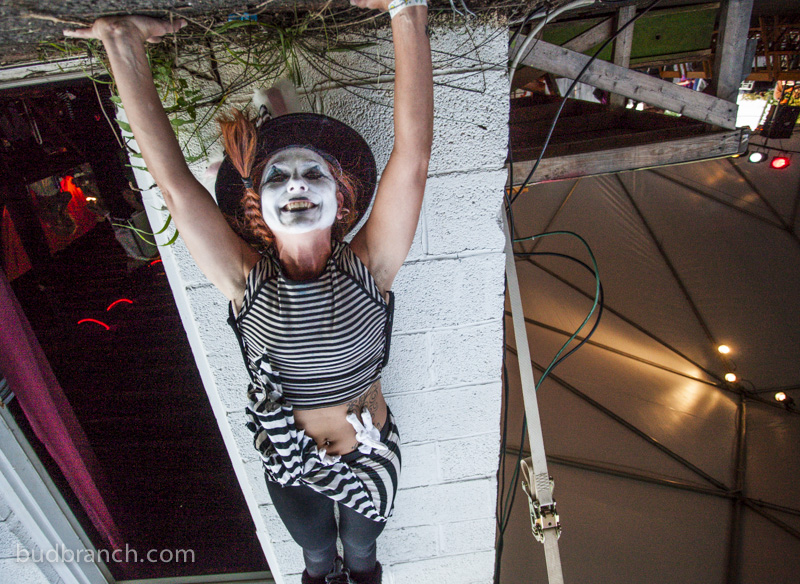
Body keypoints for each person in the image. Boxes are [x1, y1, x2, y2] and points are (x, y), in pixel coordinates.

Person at [64, 1, 432, 583]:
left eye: (313, 173)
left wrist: (407, 11)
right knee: (317, 558)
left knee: (363, 554)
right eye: (278, 177)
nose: (296, 185)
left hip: (369, 458)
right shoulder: (245, 280)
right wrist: (122, 42)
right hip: (288, 460)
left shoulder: (371, 267)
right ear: (258, 204)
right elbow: (175, 188)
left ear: (341, 198)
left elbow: (412, 161)